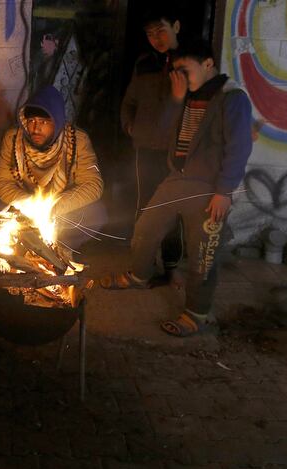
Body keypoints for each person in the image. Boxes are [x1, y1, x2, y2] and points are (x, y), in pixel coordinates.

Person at [101, 40, 253, 337]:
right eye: (175, 70)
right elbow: (159, 133)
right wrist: (175, 98)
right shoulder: (184, 96)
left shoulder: (231, 98)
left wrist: (224, 191)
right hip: (177, 179)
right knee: (145, 229)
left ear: (208, 63)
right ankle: (139, 275)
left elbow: (239, 148)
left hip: (210, 188)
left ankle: (197, 313)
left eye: (185, 68)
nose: (179, 75)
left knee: (203, 255)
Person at [0, 85, 105, 251]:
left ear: (57, 121)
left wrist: (52, 207)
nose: (36, 129)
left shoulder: (77, 140)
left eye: (44, 122)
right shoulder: (13, 138)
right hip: (25, 209)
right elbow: (2, 181)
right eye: (31, 121)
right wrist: (28, 203)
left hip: (62, 211)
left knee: (97, 214)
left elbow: (93, 185)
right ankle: (21, 248)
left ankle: (58, 250)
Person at [119, 7, 184, 287]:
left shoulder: (189, 64)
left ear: (176, 27)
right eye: (149, 33)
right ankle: (142, 265)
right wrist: (129, 125)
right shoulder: (144, 63)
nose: (156, 38)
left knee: (173, 208)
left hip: (177, 152)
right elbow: (129, 100)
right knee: (144, 207)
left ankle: (172, 266)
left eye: (161, 30)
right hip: (145, 148)